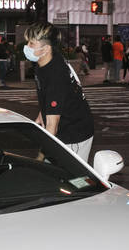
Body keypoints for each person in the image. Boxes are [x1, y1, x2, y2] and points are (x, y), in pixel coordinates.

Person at [24, 22, 94, 161]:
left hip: (73, 135)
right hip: (62, 129)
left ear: (46, 49)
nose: (27, 47)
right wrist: (41, 115)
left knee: (71, 179)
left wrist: (40, 157)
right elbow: (49, 97)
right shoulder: (43, 63)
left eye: (32, 43)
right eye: (27, 42)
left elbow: (52, 127)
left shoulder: (55, 75)